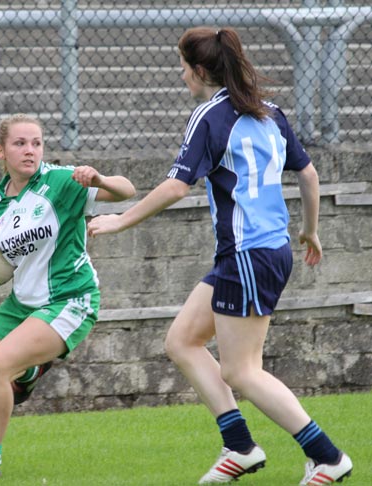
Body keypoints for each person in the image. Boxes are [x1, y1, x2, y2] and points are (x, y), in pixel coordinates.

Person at [87, 27, 352, 485]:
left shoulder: (209, 116)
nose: (182, 76)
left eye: (183, 68)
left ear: (200, 71)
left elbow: (175, 185)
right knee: (182, 342)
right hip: (258, 253)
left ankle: (327, 457)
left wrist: (120, 219)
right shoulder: (270, 112)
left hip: (248, 256)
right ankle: (240, 447)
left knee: (242, 372)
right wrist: (309, 231)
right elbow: (308, 175)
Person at [0, 113, 136, 480]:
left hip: (70, 299)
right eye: (20, 143)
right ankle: (31, 371)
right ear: (0, 151)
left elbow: (126, 190)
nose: (30, 150)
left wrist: (98, 179)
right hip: (21, 304)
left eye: (36, 143)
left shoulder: (62, 181)